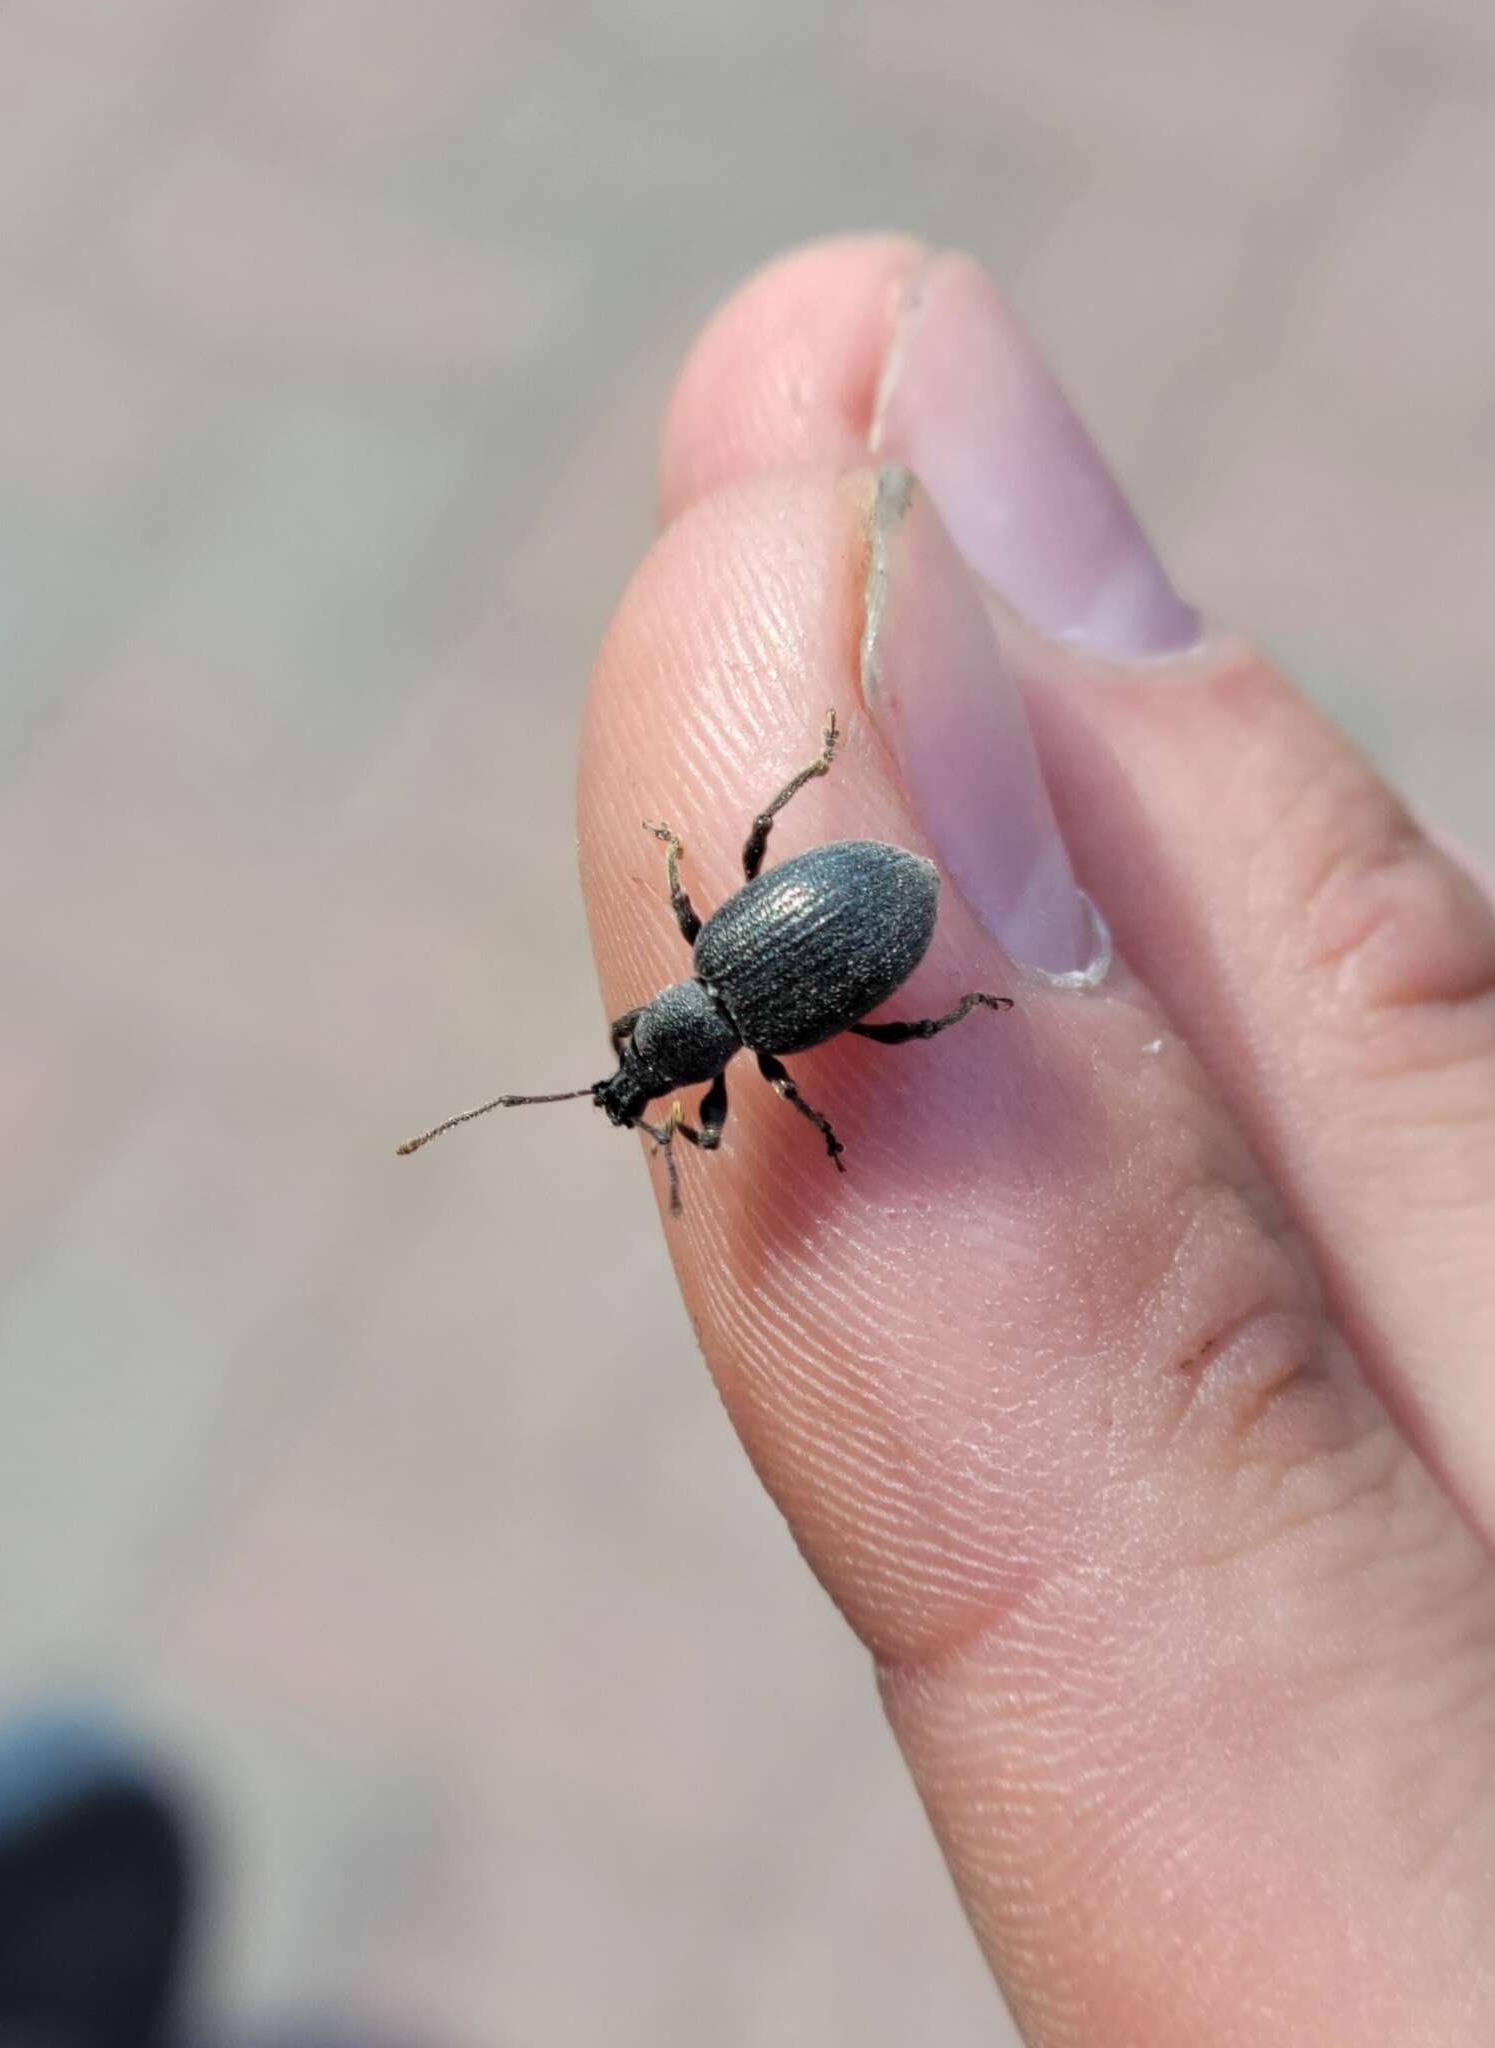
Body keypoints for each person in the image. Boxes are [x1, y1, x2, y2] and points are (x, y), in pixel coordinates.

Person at [575, 236, 1495, 2043]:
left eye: (659, 1085)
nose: (660, 1087)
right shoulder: (719, 1015)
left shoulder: (739, 1027)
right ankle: (981, 983)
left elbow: (721, 984)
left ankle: (988, 990)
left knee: (876, 1044)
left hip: (852, 918)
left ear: (694, 1044)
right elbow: (680, 1018)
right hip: (825, 920)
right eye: (662, 1094)